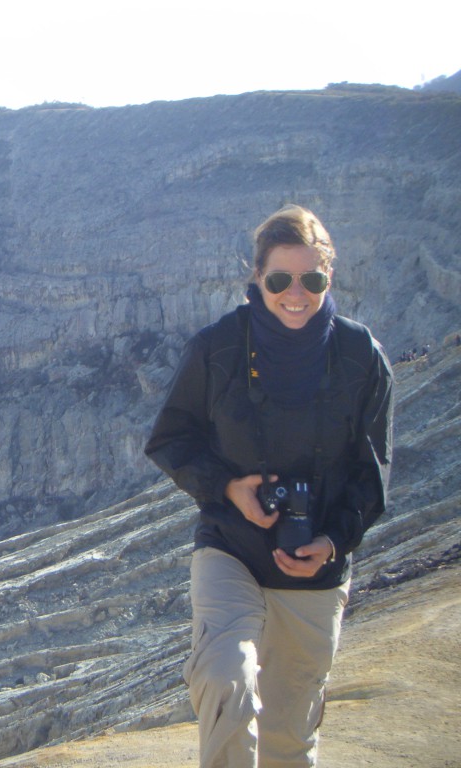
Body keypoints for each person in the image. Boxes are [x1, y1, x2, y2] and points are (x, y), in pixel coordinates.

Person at [144, 204, 393, 767]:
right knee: (224, 679)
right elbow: (169, 440)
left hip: (317, 569)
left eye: (313, 279)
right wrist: (227, 488)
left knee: (289, 736)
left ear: (331, 277)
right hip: (230, 547)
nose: (296, 293)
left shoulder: (362, 358)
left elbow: (372, 475)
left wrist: (331, 542)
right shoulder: (218, 350)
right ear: (257, 278)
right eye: (280, 279)